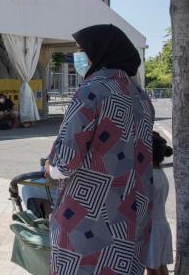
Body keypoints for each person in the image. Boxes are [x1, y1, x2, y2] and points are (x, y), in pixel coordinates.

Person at [45, 24, 154, 275]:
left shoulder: (91, 91)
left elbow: (66, 162)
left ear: (101, 51)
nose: (78, 57)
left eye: (83, 50)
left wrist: (49, 168)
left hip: (88, 222)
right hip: (130, 220)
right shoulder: (140, 96)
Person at [144, 131, 173, 275]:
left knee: (152, 269)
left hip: (153, 228)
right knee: (161, 266)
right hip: (162, 225)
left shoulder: (149, 176)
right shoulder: (160, 173)